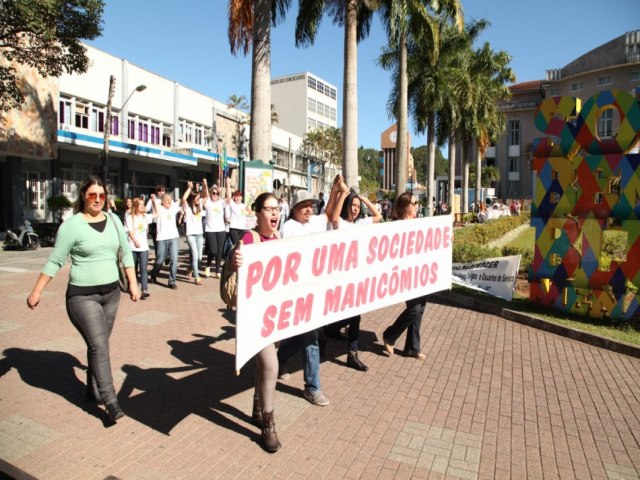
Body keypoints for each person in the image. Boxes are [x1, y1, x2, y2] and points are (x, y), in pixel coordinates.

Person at [26, 175, 140, 424]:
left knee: (98, 344)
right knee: (100, 346)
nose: (98, 200)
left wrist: (132, 282)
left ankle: (92, 387)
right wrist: (37, 291)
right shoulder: (72, 226)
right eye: (92, 195)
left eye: (102, 195)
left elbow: (126, 250)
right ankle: (111, 401)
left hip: (111, 294)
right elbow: (55, 259)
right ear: (83, 197)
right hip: (82, 297)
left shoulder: (114, 220)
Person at [277, 178, 341, 406]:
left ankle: (281, 358)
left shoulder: (313, 222)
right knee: (311, 338)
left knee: (305, 336)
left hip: (314, 291)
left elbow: (330, 213)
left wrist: (335, 191)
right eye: (304, 205)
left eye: (311, 205)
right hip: (296, 293)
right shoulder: (288, 228)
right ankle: (312, 387)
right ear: (293, 207)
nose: (309, 209)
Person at [231, 192, 283, 452]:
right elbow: (235, 257)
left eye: (277, 208)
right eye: (269, 209)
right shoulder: (249, 237)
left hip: (275, 314)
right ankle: (268, 425)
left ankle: (257, 405)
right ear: (258, 213)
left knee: (263, 364)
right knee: (272, 366)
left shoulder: (278, 238)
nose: (274, 213)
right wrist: (235, 258)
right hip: (256, 315)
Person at [327, 178, 382, 372]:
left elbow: (378, 216)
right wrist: (345, 196)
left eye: (358, 206)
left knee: (355, 315)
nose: (356, 208)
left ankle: (352, 353)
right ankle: (330, 329)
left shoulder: (362, 223)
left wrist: (362, 198)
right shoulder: (340, 223)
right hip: (340, 275)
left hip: (356, 276)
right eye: (354, 205)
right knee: (342, 312)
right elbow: (334, 218)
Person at [381, 192, 428, 360]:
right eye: (413, 203)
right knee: (414, 308)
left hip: (419, 272)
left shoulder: (418, 224)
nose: (416, 206)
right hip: (405, 274)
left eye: (416, 203)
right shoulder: (397, 226)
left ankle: (412, 347)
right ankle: (390, 335)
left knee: (420, 307)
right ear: (404, 206)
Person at [149, 190, 180, 289]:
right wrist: (153, 200)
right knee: (160, 260)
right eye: (167, 200)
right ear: (162, 201)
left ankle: (172, 281)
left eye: (170, 200)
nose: (169, 202)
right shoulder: (159, 209)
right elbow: (154, 207)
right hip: (162, 239)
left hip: (173, 238)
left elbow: (183, 200)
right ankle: (154, 274)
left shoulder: (173, 208)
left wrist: (189, 188)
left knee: (174, 259)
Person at [125, 197, 153, 299]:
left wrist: (153, 200)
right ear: (136, 206)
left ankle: (144, 289)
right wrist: (135, 241)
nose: (142, 206)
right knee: (133, 268)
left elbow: (157, 214)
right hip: (132, 247)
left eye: (143, 204)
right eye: (140, 204)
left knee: (144, 268)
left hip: (144, 248)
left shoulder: (145, 217)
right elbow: (130, 232)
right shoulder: (129, 218)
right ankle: (134, 287)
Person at [181, 181, 205, 285]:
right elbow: (183, 198)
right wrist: (189, 188)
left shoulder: (200, 206)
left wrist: (204, 186)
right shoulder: (188, 208)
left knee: (199, 257)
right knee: (195, 255)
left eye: (199, 198)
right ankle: (197, 276)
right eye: (197, 198)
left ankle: (190, 268)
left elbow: (206, 196)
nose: (199, 200)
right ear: (193, 199)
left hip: (200, 235)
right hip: (190, 235)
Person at [202, 180, 226, 278]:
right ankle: (207, 265)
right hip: (210, 230)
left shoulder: (221, 202)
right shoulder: (208, 202)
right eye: (213, 193)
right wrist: (205, 185)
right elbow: (205, 195)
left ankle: (217, 271)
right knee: (213, 251)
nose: (215, 195)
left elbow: (228, 196)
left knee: (220, 250)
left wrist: (227, 184)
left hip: (221, 229)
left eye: (216, 193)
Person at [146, 184, 166, 256]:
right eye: (159, 190)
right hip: (155, 223)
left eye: (163, 190)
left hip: (164, 223)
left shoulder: (166, 199)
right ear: (156, 191)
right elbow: (146, 209)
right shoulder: (152, 199)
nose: (161, 192)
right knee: (157, 242)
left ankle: (165, 255)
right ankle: (158, 258)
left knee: (165, 241)